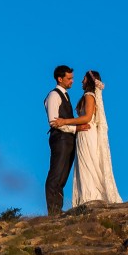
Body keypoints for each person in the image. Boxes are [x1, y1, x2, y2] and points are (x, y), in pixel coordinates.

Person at [50, 70, 122, 206]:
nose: (81, 81)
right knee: (86, 163)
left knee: (88, 163)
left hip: (87, 133)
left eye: (83, 79)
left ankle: (91, 196)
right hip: (83, 134)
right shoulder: (87, 96)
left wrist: (65, 121)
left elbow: (87, 118)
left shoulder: (89, 95)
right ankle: (88, 196)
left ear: (89, 81)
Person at [44, 65, 88, 215]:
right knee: (56, 174)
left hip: (69, 139)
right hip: (60, 139)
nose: (72, 81)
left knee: (63, 176)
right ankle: (53, 211)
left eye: (72, 78)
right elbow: (53, 122)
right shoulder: (54, 95)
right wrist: (75, 128)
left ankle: (58, 209)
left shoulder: (66, 96)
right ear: (59, 79)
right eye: (69, 78)